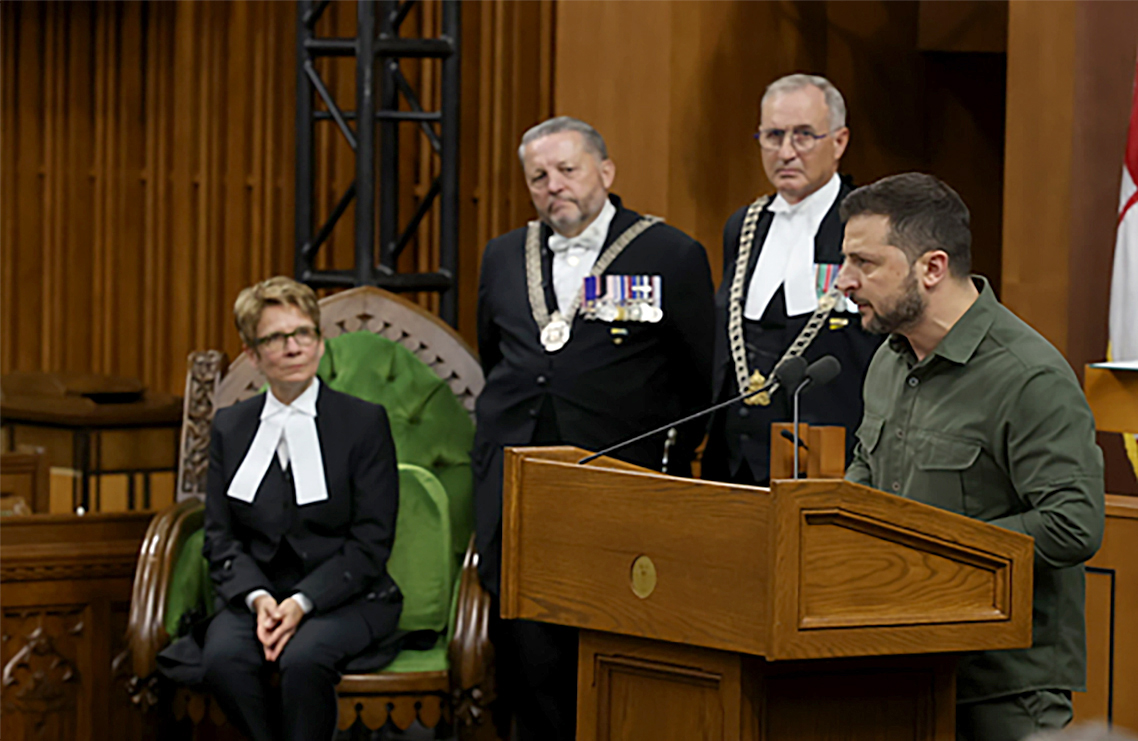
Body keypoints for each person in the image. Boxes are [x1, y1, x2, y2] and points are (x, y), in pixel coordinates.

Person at [836, 173, 1106, 741]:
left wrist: (938, 558)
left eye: (864, 264)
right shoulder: (889, 359)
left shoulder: (1028, 375)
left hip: (1003, 685)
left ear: (931, 268)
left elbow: (1072, 524)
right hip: (899, 663)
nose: (844, 281)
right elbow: (867, 475)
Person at [473, 116, 715, 740]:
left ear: (605, 173)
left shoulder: (670, 253)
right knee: (527, 655)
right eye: (539, 177)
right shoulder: (502, 255)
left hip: (619, 484)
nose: (554, 186)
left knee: (613, 649)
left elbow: (698, 376)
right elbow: (493, 356)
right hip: (516, 487)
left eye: (568, 170)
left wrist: (664, 458)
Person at [195, 277, 403, 741]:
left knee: (304, 660)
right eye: (275, 338)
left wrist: (302, 602)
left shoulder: (364, 422)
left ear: (320, 341)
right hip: (258, 596)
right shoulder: (231, 426)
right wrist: (260, 599)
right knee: (223, 661)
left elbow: (371, 542)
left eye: (303, 333)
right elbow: (220, 535)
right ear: (252, 354)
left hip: (344, 596)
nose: (293, 347)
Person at [703, 73, 883, 486]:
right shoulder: (743, 225)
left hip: (832, 456)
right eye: (773, 136)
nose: (786, 151)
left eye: (803, 136)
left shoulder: (867, 226)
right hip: (736, 457)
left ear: (838, 142)